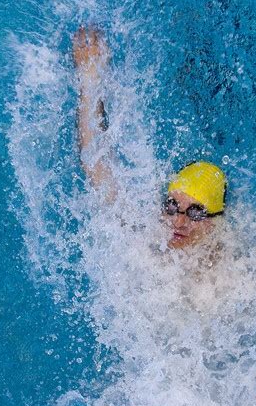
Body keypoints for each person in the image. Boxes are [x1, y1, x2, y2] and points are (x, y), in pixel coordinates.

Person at [73, 27, 227, 250]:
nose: (178, 222)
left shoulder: (232, 276)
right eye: (172, 206)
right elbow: (95, 164)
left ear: (216, 221)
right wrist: (90, 80)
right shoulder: (150, 235)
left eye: (196, 213)